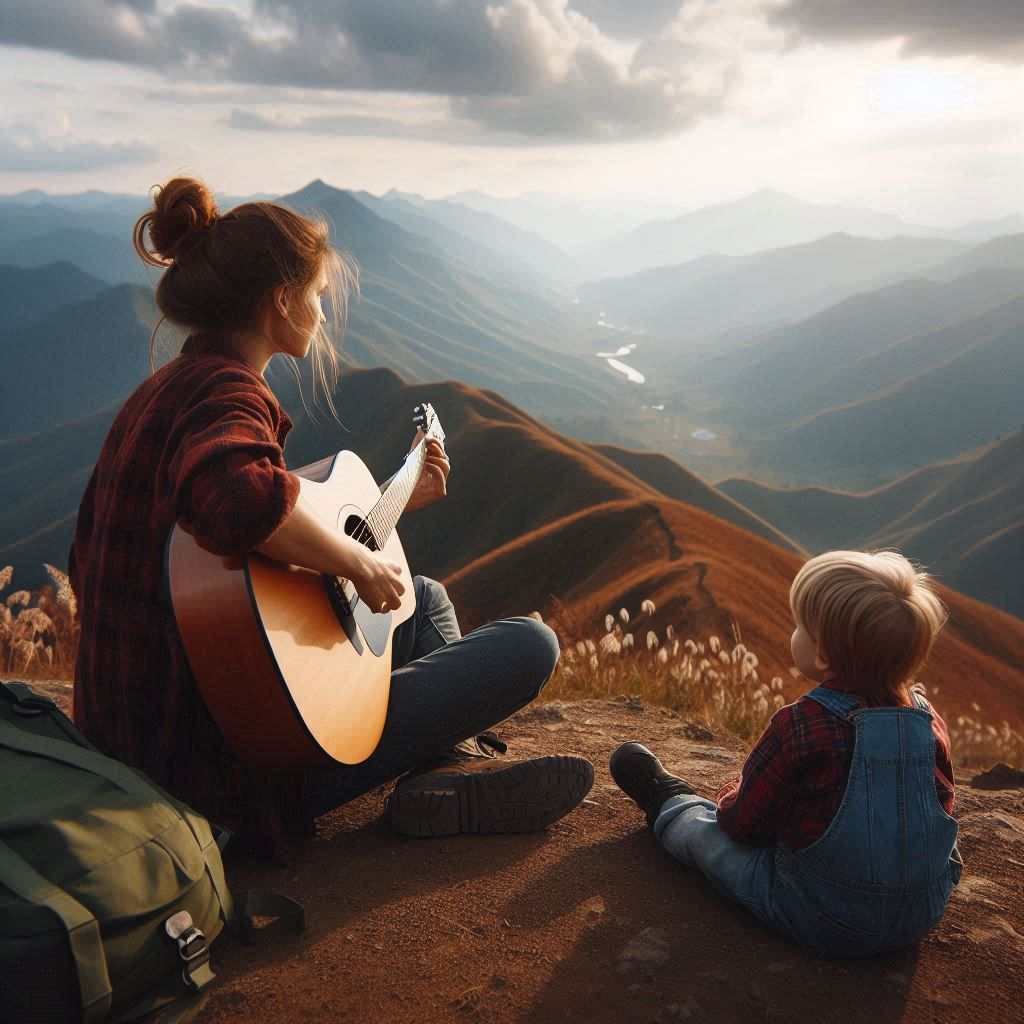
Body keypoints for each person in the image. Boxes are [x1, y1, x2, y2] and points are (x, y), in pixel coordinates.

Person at [69, 176, 593, 859]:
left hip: (141, 745)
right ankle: (446, 766)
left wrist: (394, 505)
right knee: (531, 645)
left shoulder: (162, 393)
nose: (320, 311)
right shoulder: (229, 393)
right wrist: (352, 559)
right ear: (280, 301)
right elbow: (236, 502)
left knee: (422, 596)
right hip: (226, 779)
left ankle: (445, 769)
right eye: (315, 296)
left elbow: (185, 558)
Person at [609, 549, 961, 958]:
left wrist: (728, 799)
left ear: (824, 655)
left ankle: (668, 802)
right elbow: (940, 806)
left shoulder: (803, 724)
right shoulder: (928, 720)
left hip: (821, 913)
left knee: (708, 836)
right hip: (921, 912)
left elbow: (741, 824)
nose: (792, 633)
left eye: (800, 627)